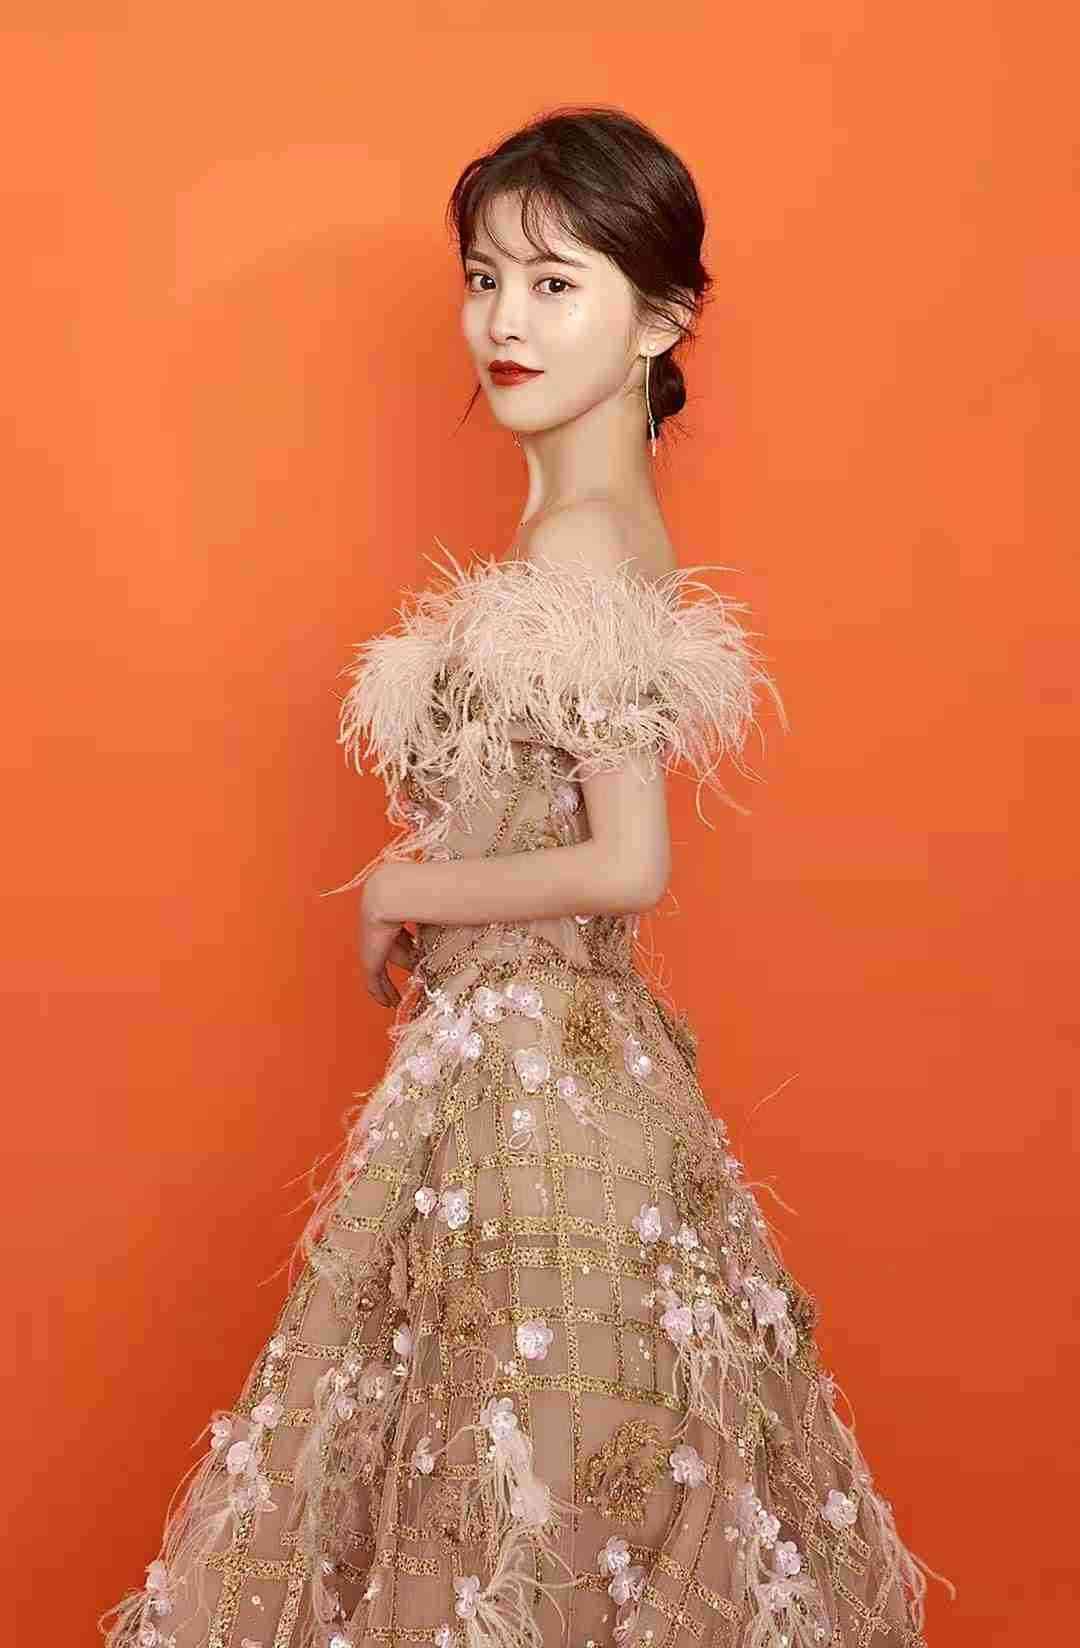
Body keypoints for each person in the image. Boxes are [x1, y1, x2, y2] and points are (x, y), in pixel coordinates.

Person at [99, 105, 955, 1648]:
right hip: (519, 1092)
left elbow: (630, 861)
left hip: (546, 1114)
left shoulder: (584, 544)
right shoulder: (572, 524)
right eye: (485, 278)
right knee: (515, 1524)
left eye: (556, 284)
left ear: (661, 318)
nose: (505, 320)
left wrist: (398, 891)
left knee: (518, 1525)